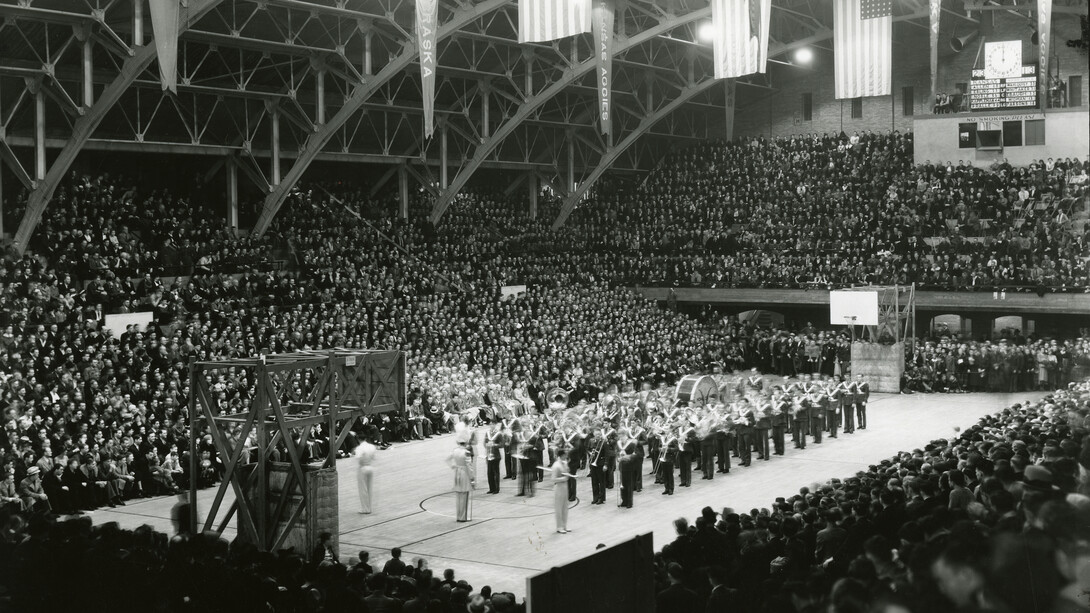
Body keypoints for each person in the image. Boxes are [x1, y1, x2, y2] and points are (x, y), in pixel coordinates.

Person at [447, 441, 474, 522]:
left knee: (458, 495)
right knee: (464, 495)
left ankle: (458, 516)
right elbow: (469, 466)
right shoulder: (466, 452)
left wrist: (453, 466)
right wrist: (472, 478)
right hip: (464, 473)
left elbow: (447, 459)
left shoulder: (455, 451)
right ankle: (463, 517)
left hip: (457, 472)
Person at [551, 449, 571, 533]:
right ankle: (559, 527)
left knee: (565, 507)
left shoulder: (565, 463)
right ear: (561, 455)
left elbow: (567, 473)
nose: (566, 456)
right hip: (558, 487)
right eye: (565, 454)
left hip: (565, 486)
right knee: (559, 507)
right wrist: (564, 478)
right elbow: (553, 479)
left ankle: (564, 526)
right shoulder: (556, 465)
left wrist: (568, 475)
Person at [356, 442, 377, 514]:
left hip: (363, 468)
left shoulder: (359, 448)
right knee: (369, 488)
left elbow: (358, 458)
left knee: (363, 489)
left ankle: (365, 508)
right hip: (370, 467)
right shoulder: (372, 446)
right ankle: (370, 507)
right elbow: (374, 458)